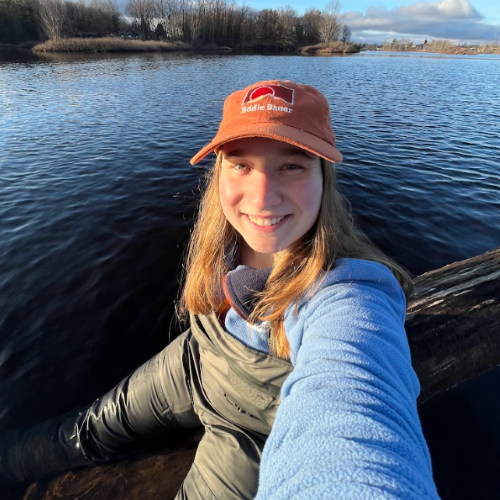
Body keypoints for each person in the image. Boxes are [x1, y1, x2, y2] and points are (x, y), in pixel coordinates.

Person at [1, 80, 440, 499]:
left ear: (324, 178)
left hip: (246, 429)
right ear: (220, 174)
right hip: (197, 359)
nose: (262, 196)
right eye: (241, 164)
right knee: (87, 431)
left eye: (291, 165)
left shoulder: (347, 293)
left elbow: (352, 414)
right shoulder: (222, 244)